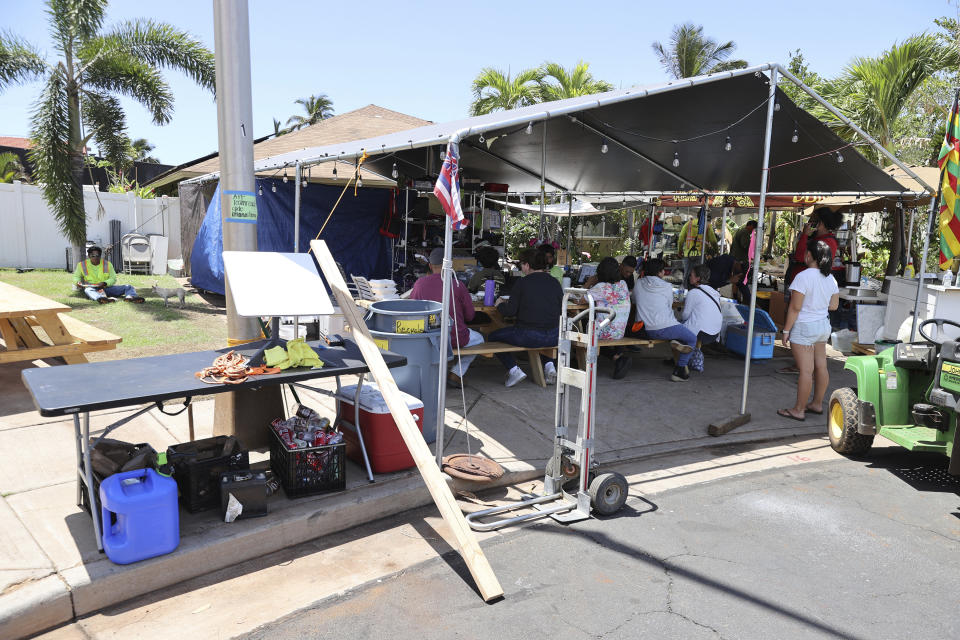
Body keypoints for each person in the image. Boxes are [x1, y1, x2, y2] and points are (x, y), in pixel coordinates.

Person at [778, 240, 840, 421]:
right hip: (822, 326)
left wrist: (786, 330)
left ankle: (798, 409)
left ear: (810, 256)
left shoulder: (803, 277)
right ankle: (817, 403)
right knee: (821, 366)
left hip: (804, 327)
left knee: (805, 371)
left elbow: (795, 308)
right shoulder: (830, 278)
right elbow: (834, 306)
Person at [410, 248, 484, 387]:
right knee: (480, 338)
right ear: (450, 265)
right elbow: (470, 316)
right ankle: (456, 373)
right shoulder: (458, 284)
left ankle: (433, 373)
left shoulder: (419, 284)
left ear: (430, 266)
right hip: (455, 337)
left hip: (429, 339)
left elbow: (413, 312)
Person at [491, 248, 564, 387]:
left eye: (522, 264)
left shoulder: (522, 283)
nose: (521, 267)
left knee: (493, 336)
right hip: (554, 335)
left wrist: (499, 304)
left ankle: (514, 370)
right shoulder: (555, 283)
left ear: (528, 265)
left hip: (528, 336)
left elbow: (510, 311)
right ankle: (550, 366)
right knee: (543, 332)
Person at [632, 258, 698, 381]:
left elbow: (634, 300)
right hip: (664, 328)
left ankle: (676, 342)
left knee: (678, 332)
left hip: (643, 330)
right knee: (692, 338)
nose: (664, 273)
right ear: (659, 272)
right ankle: (679, 369)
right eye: (663, 270)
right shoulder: (667, 286)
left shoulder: (639, 283)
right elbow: (669, 305)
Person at [681, 264, 723, 373]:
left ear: (698, 279)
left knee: (674, 331)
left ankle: (680, 362)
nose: (690, 276)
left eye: (692, 275)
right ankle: (689, 357)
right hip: (715, 333)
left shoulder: (693, 293)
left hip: (703, 332)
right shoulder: (714, 292)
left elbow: (685, 315)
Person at [785, 207, 840, 287]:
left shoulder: (828, 241)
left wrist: (805, 235)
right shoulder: (816, 237)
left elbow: (800, 257)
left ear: (821, 223)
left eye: (814, 219)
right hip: (800, 282)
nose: (810, 221)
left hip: (808, 284)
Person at [72, 245, 144, 304]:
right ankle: (101, 299)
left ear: (100, 256)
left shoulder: (107, 264)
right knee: (87, 290)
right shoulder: (81, 265)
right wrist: (77, 282)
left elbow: (113, 278)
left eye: (97, 255)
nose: (95, 257)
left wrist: (105, 283)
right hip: (92, 288)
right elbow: (76, 277)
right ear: (89, 256)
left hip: (106, 288)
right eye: (93, 255)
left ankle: (131, 297)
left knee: (128, 287)